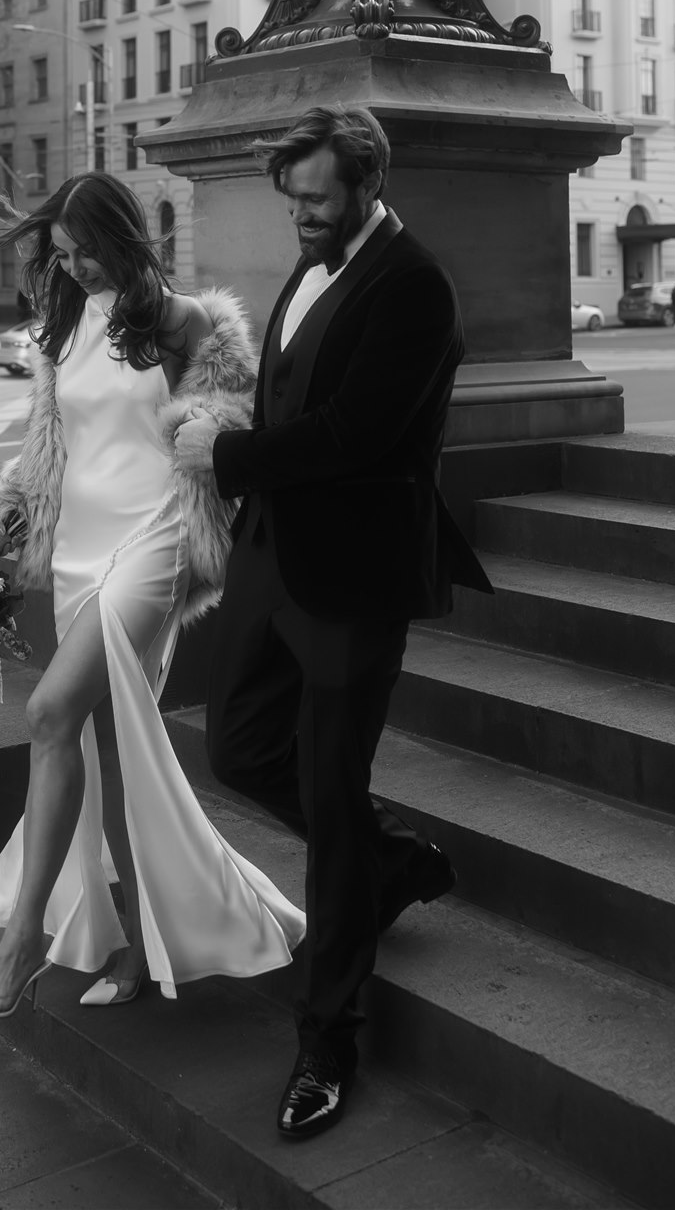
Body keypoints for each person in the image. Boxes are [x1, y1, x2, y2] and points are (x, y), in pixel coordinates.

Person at [174, 105, 491, 1142]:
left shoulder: (416, 285)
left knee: (326, 786)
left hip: (355, 575)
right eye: (293, 197)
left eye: (316, 197)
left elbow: (357, 434)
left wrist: (225, 459)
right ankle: (392, 862)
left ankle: (329, 1036)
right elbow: (289, 401)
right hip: (274, 559)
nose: (301, 215)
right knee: (239, 747)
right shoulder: (309, 267)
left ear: (365, 182)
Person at [0, 174, 303, 1025]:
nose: (74, 268)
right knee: (107, 752)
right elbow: (50, 451)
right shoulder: (64, 325)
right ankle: (142, 942)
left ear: (124, 236)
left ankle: (21, 945)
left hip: (157, 541)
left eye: (85, 251)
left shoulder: (187, 323)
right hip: (78, 549)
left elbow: (229, 428)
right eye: (60, 256)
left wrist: (213, 428)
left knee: (49, 712)